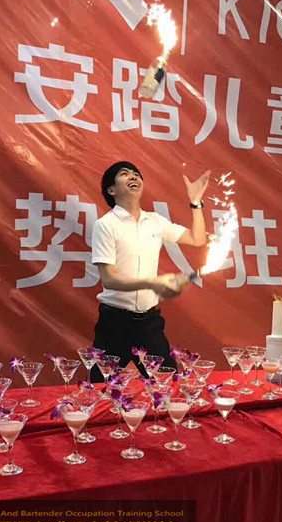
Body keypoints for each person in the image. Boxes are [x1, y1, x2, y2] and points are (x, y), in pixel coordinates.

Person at [90, 161, 209, 377]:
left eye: (136, 174)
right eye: (124, 174)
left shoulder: (155, 221)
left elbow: (197, 238)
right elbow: (108, 279)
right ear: (111, 190)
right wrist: (151, 283)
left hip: (149, 323)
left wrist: (195, 202)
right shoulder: (105, 225)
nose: (133, 176)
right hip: (114, 323)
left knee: (167, 383)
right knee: (101, 387)